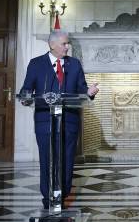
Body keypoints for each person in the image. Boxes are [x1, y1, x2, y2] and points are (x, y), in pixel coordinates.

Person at [20, 30, 99, 209]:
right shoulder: (36, 64)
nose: (67, 47)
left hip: (69, 122)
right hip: (45, 123)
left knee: (67, 160)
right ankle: (48, 199)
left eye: (68, 43)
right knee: (47, 159)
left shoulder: (75, 64)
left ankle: (62, 197)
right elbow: (26, 89)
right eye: (64, 44)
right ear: (52, 45)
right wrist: (25, 97)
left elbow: (82, 89)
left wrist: (89, 93)